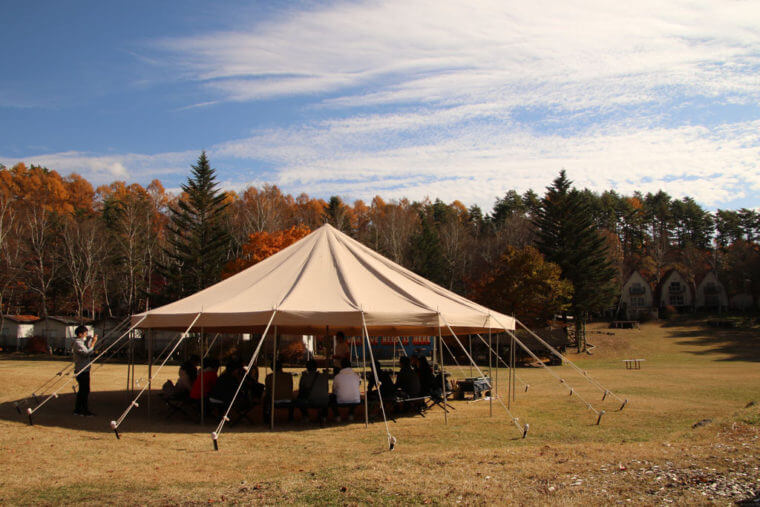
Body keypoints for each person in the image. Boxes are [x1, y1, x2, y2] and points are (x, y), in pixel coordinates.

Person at [72, 325, 97, 416]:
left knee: (83, 390)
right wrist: (93, 343)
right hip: (82, 371)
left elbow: (87, 350)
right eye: (85, 334)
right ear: (80, 334)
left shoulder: (81, 342)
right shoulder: (78, 343)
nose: (86, 335)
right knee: (85, 391)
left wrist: (91, 342)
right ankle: (83, 410)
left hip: (84, 370)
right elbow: (87, 353)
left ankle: (78, 409)